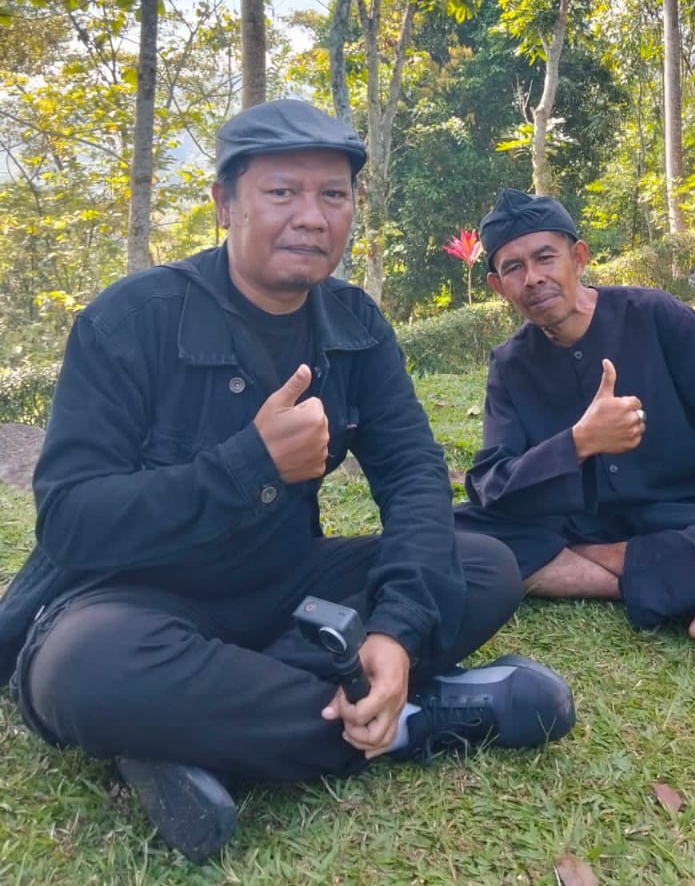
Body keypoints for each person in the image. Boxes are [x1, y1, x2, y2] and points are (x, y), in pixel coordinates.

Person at [0, 105, 574, 863]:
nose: (310, 217)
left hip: (284, 589)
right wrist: (249, 464)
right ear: (224, 202)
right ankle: (419, 721)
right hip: (130, 600)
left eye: (332, 196)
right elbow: (71, 521)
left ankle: (202, 732)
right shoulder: (129, 320)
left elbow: (410, 481)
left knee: (483, 566)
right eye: (281, 193)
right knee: (87, 674)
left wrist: (396, 631)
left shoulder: (354, 323)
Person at [454, 188, 695, 650]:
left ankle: (586, 565)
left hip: (682, 515)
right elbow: (491, 483)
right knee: (447, 532)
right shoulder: (510, 364)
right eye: (513, 268)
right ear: (499, 287)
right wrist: (578, 443)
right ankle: (680, 589)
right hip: (579, 519)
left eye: (545, 258)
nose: (533, 278)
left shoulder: (653, 316)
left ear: (578, 258)